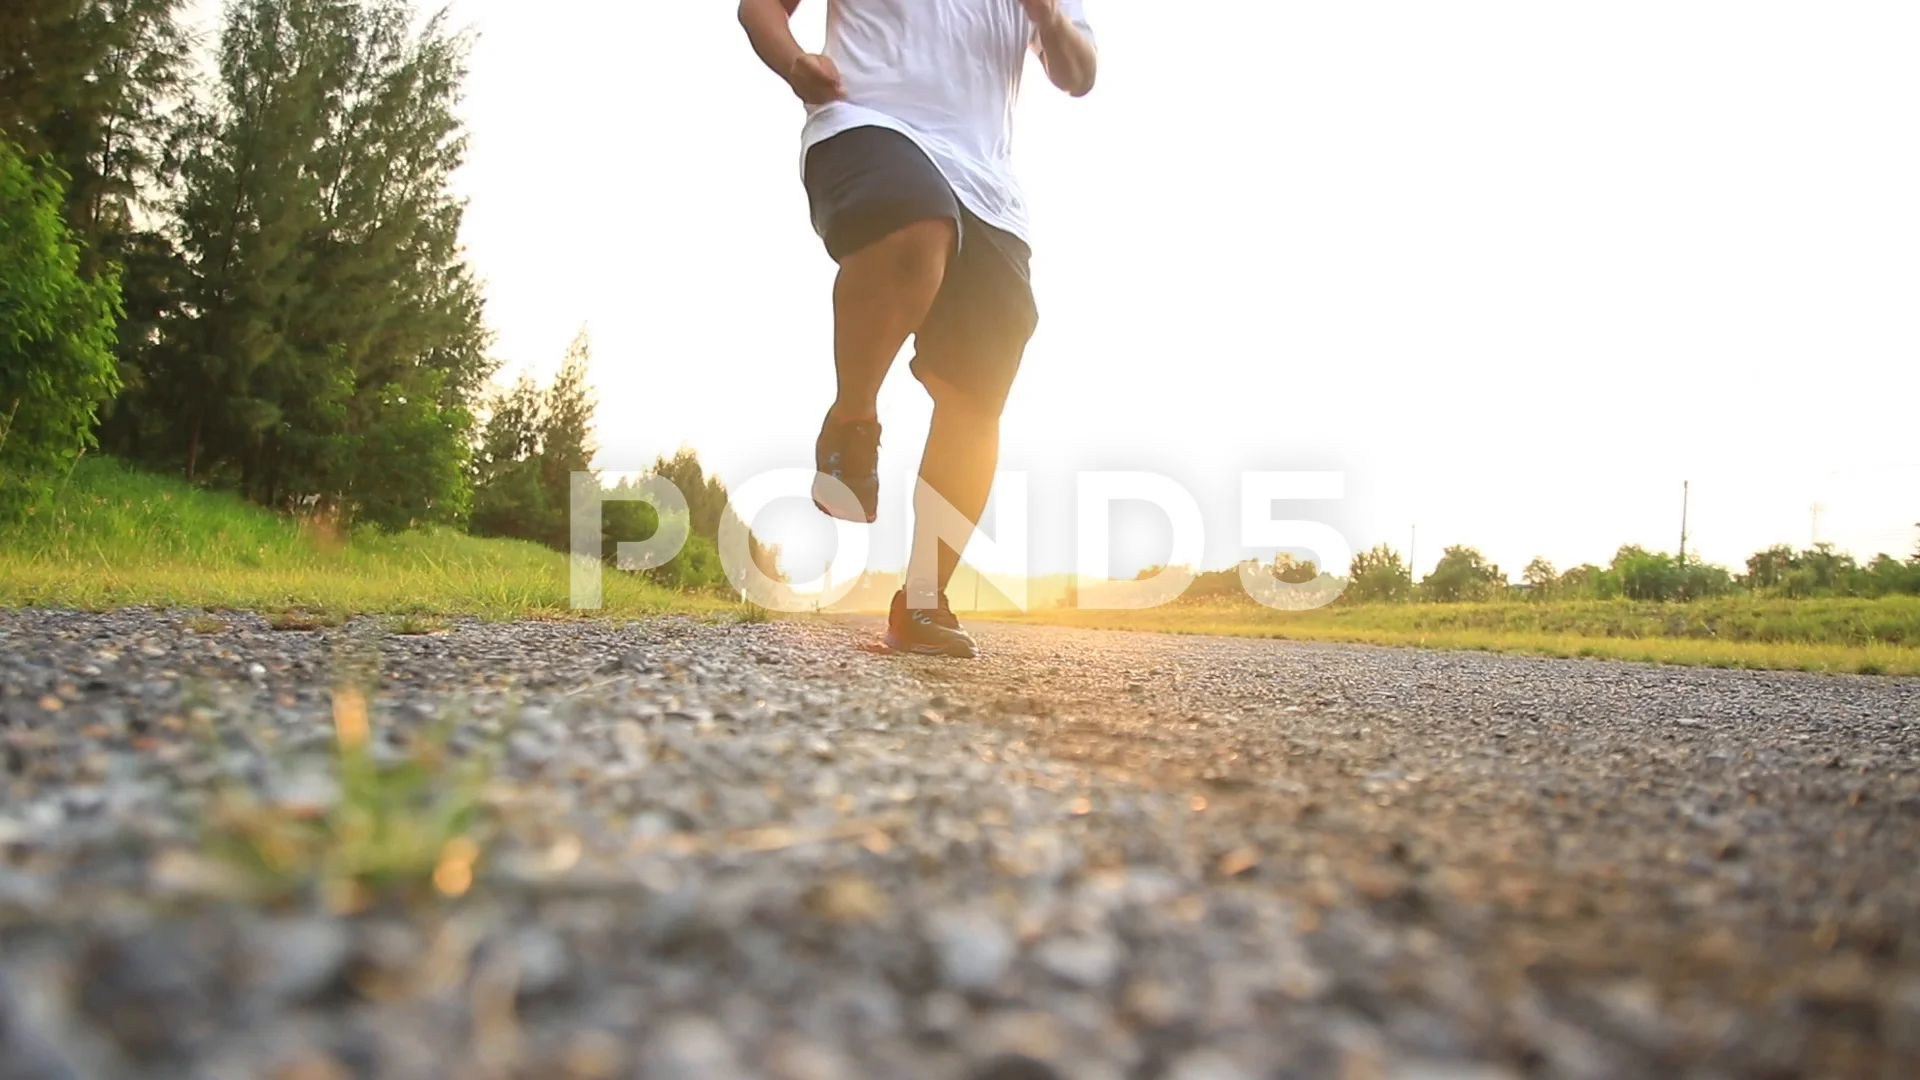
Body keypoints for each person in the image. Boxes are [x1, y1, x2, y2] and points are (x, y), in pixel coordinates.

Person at [737, 0, 1097, 658]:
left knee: (977, 395)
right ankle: (853, 420)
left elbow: (1078, 72)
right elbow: (758, 7)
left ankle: (924, 601)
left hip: (988, 186)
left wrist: (1046, 17)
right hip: (865, 126)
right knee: (915, 227)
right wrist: (794, 62)